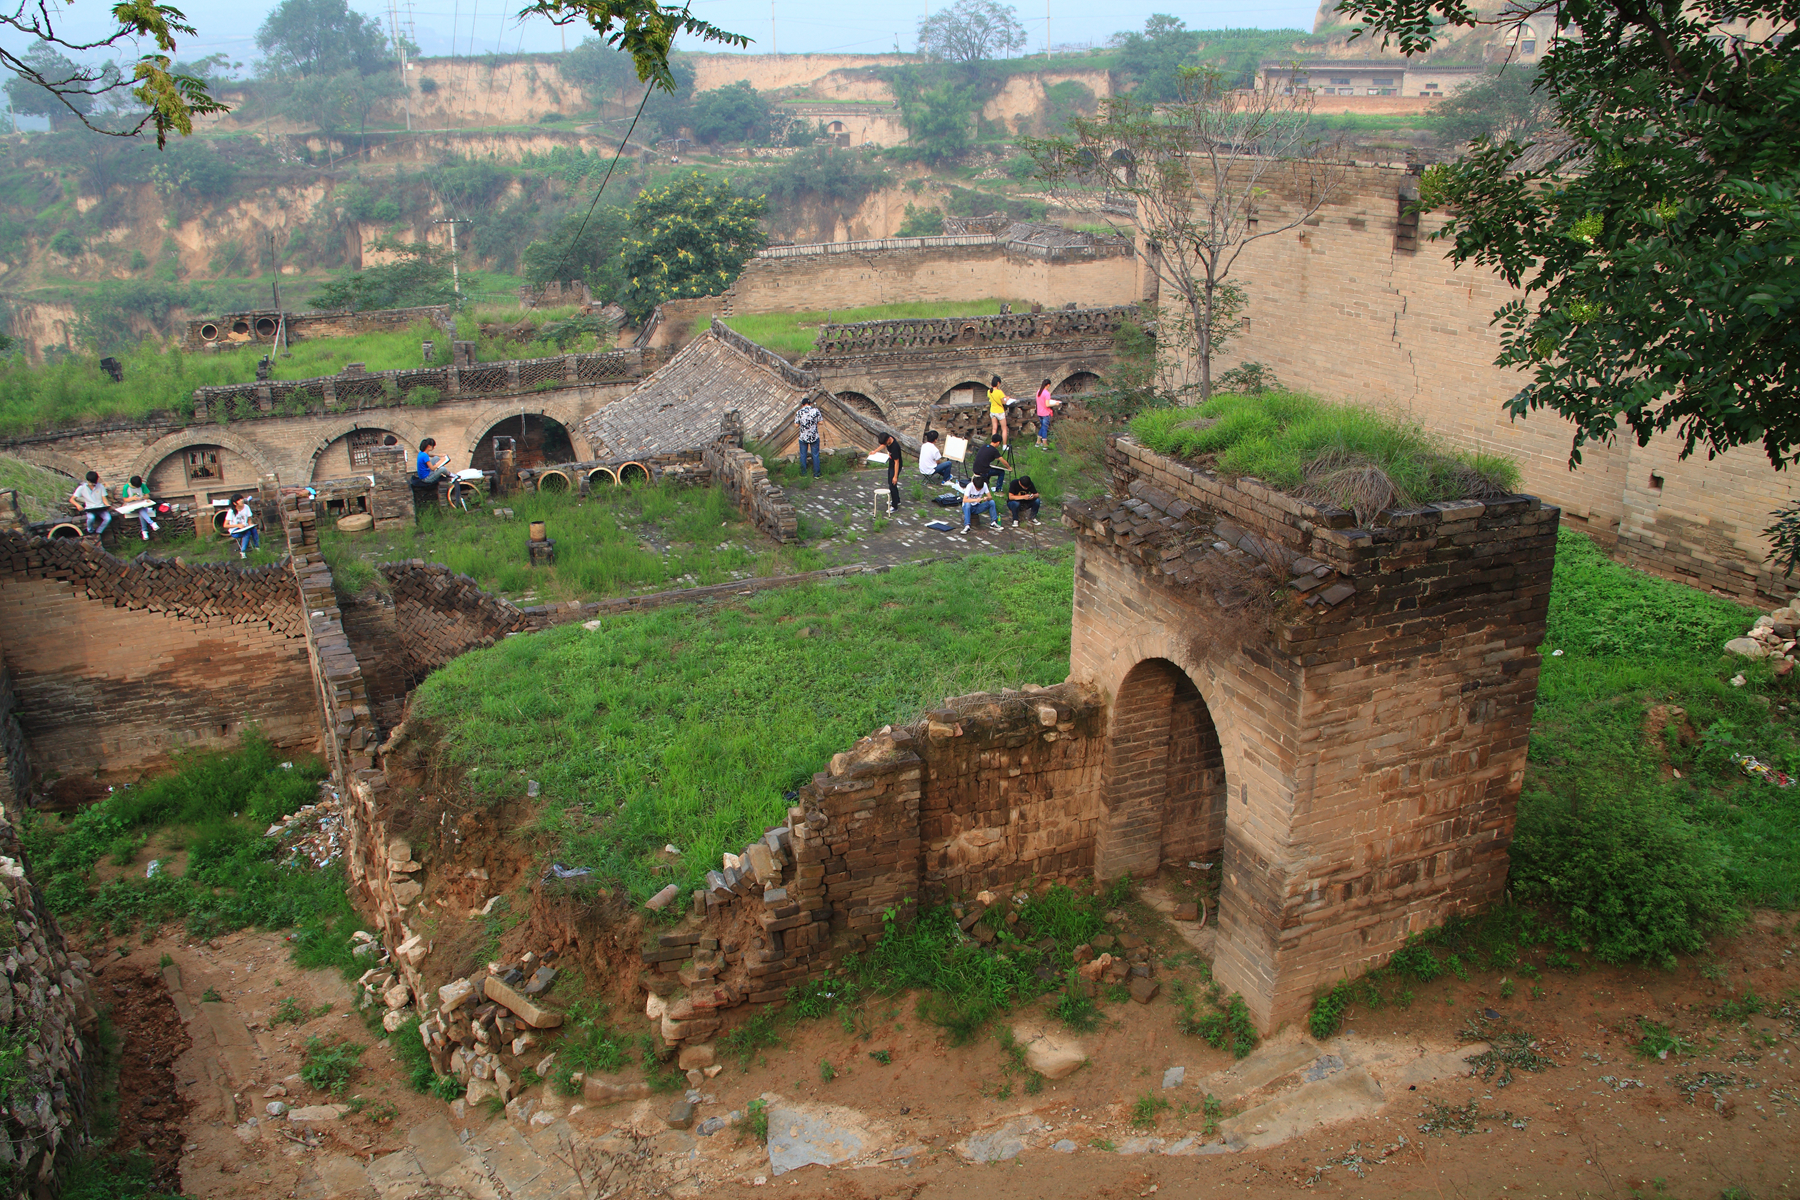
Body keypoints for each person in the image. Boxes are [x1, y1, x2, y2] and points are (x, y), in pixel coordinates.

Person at [69, 471, 111, 538]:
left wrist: (107, 505)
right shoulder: (82, 488)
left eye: (95, 483)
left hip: (100, 507)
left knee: (108, 518)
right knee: (91, 518)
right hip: (90, 508)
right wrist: (78, 505)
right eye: (92, 483)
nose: (93, 484)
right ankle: (89, 530)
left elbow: (104, 498)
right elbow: (72, 499)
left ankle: (98, 532)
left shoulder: (100, 486)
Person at [971, 433, 1010, 499]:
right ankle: (998, 490)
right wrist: (1009, 467)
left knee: (989, 469)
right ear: (998, 443)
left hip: (976, 469)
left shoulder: (984, 446)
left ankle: (987, 484)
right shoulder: (994, 450)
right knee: (1001, 472)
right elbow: (1002, 460)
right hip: (983, 471)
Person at [123, 475, 159, 541]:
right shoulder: (126, 487)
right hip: (132, 507)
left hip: (142, 505)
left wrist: (143, 497)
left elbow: (147, 495)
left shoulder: (142, 485)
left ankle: (144, 532)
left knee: (141, 511)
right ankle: (151, 524)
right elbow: (125, 499)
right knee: (141, 510)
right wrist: (132, 498)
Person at [794, 398, 823, 478]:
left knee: (803, 455)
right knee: (815, 455)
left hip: (803, 436)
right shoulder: (815, 411)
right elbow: (821, 422)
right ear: (810, 404)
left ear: (802, 405)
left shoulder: (799, 412)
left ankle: (804, 474)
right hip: (814, 436)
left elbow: (796, 425)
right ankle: (816, 474)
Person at [875, 431, 903, 512]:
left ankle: (895, 506)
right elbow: (883, 445)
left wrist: (895, 476)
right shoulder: (888, 438)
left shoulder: (894, 447)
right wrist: (875, 451)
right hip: (891, 464)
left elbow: (897, 462)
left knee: (892, 485)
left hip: (895, 466)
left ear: (888, 440)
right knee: (891, 483)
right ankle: (897, 500)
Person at [986, 375, 1012, 450]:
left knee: (994, 429)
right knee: (1004, 429)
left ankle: (993, 445)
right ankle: (1004, 445)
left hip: (992, 411)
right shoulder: (999, 392)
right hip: (999, 411)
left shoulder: (989, 391)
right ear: (998, 383)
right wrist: (1007, 398)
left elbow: (990, 400)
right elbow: (1003, 402)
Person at [1034, 378, 1059, 450]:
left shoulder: (1039, 391)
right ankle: (1044, 444)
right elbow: (1047, 404)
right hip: (1045, 413)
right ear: (1048, 385)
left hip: (1039, 412)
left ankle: (1038, 442)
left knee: (1042, 427)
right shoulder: (1047, 393)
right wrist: (1055, 403)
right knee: (1044, 428)